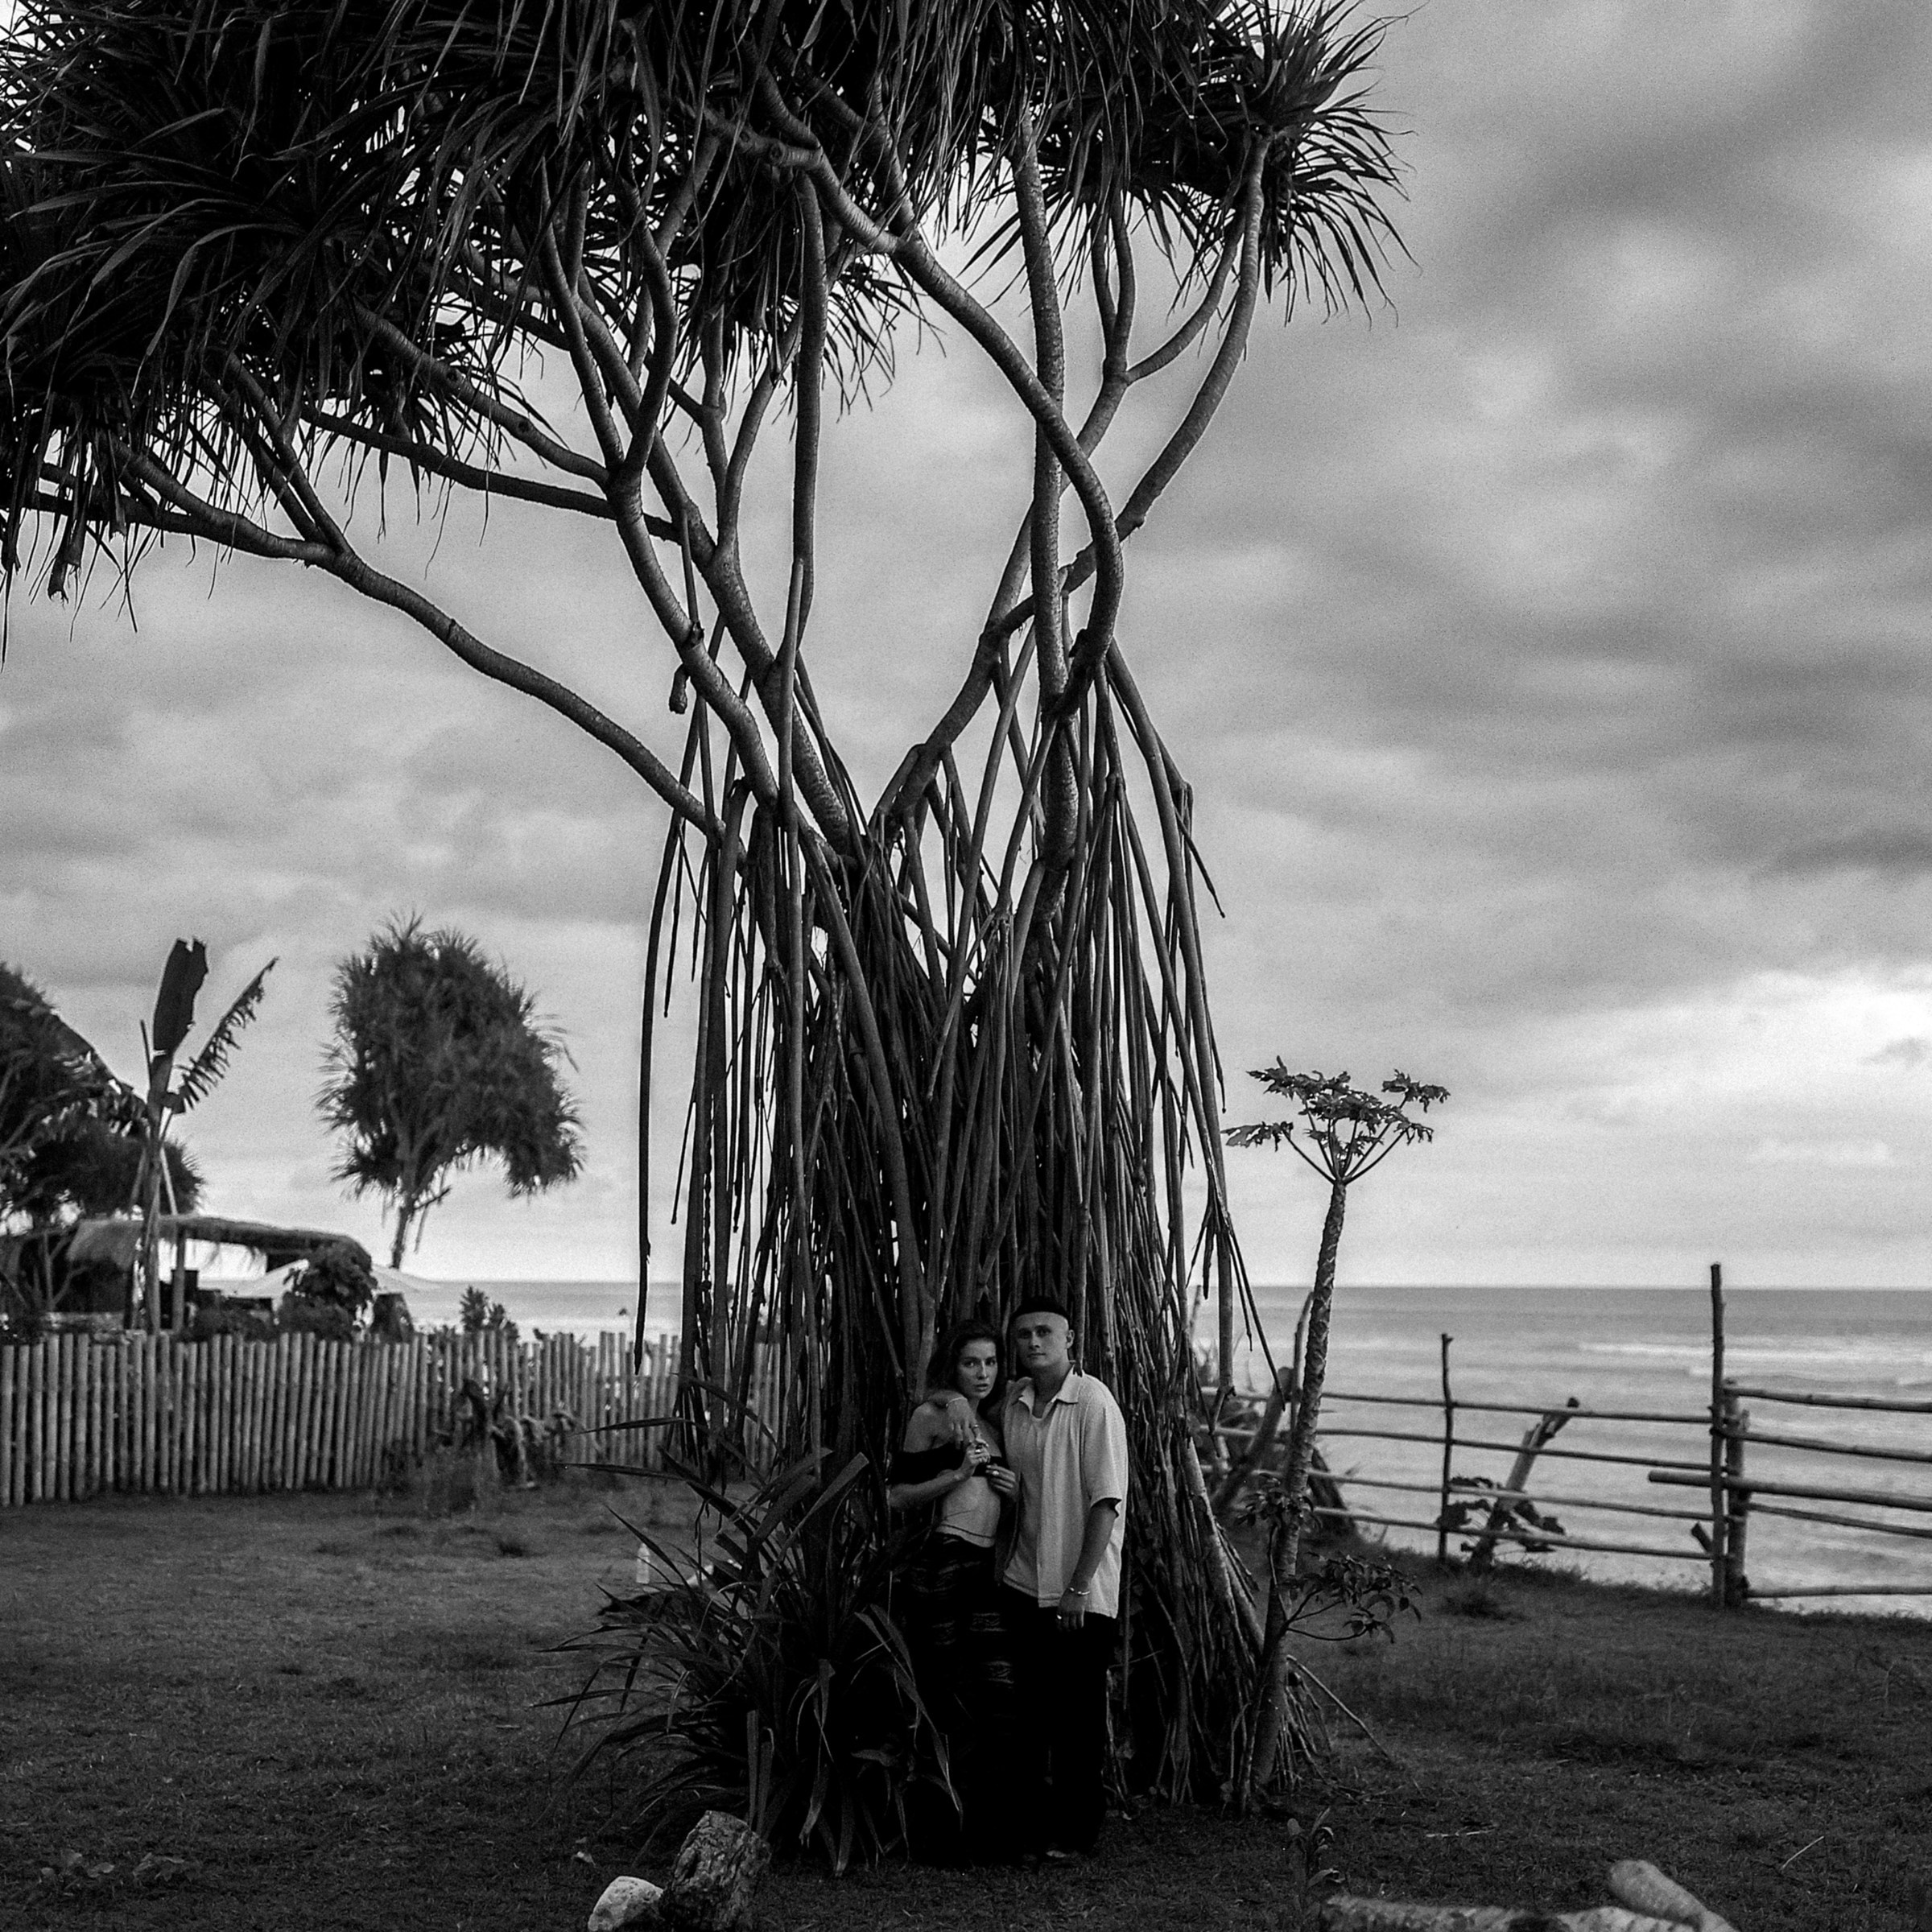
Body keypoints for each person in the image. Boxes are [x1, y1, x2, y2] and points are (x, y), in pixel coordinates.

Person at [998, 1294, 1129, 1860]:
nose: (1033, 1342)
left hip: (1080, 1594)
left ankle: (1077, 1836)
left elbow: (1106, 1504)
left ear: (1070, 1339)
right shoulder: (1016, 1402)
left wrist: (1078, 1588)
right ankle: (1029, 1830)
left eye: (1045, 1332)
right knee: (1027, 1718)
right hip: (1024, 1582)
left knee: (1076, 1721)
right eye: (1024, 1333)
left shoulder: (1093, 1403)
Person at [887, 1319, 1021, 1861]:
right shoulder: (934, 1416)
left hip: (984, 1566)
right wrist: (957, 1473)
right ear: (953, 1365)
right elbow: (896, 1496)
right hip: (944, 1563)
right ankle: (940, 1837)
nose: (982, 1373)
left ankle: (986, 1832)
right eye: (971, 1363)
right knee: (948, 1694)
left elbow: (992, 1502)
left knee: (996, 1693)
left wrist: (1009, 1491)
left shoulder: (990, 1421)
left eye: (990, 1362)